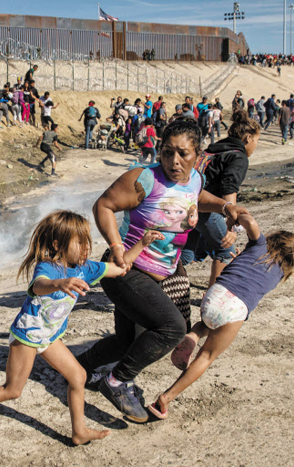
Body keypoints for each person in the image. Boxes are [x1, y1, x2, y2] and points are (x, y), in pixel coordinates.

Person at [74, 119, 249, 422]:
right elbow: (103, 205)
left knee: (126, 341)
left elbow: (197, 197)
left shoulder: (194, 178)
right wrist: (116, 247)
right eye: (167, 152)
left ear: (198, 153)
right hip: (127, 270)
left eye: (183, 153)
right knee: (171, 329)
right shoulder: (144, 179)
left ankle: (78, 369)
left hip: (162, 272)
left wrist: (224, 206)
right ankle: (117, 381)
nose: (174, 161)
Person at [0, 211, 164, 445]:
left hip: (49, 336)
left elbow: (119, 269)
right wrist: (60, 283)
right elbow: (39, 286)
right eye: (79, 242)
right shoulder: (48, 268)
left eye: (87, 241)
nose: (86, 247)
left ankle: (78, 431)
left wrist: (142, 243)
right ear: (58, 244)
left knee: (78, 376)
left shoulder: (86, 268)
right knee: (13, 390)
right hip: (27, 336)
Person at [149, 214, 294, 420]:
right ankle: (166, 398)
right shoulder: (278, 274)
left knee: (206, 323)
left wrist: (232, 223)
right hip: (235, 308)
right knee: (206, 356)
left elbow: (249, 222)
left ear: (274, 240)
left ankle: (192, 337)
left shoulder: (258, 246)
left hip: (215, 295)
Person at [181, 110, 261, 287]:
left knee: (187, 254)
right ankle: (213, 297)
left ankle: (159, 277)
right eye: (256, 141)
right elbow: (229, 188)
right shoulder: (238, 156)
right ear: (248, 138)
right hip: (205, 206)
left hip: (186, 201)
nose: (255, 145)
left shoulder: (215, 149)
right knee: (225, 249)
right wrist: (231, 224)